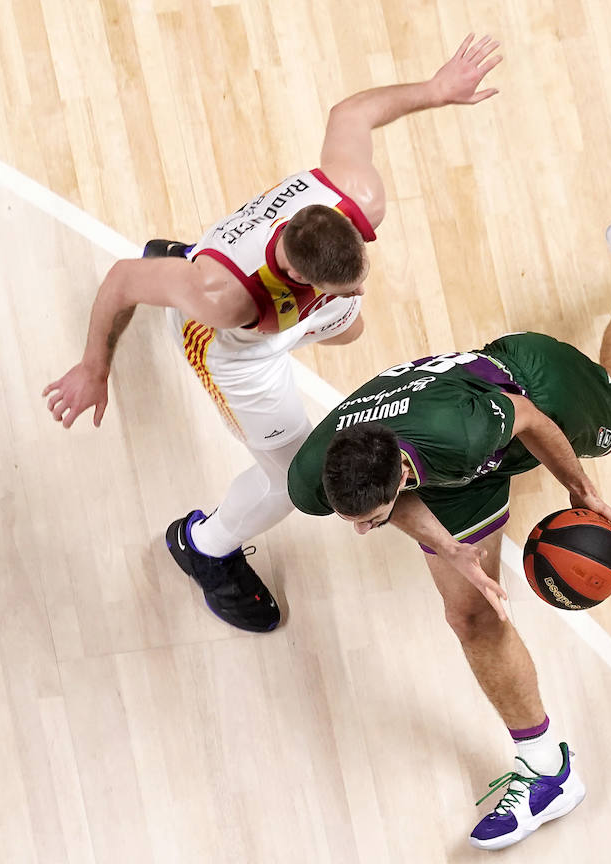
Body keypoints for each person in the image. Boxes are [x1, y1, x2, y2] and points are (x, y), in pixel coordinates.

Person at [41, 35, 503, 633]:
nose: (359, 288)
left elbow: (351, 114)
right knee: (292, 481)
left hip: (259, 296)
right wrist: (94, 367)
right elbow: (124, 280)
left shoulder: (354, 195)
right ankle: (204, 547)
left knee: (352, 328)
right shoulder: (223, 298)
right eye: (342, 285)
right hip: (239, 354)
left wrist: (435, 92)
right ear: (292, 272)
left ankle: (184, 263)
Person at [286, 216, 611, 850]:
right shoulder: (315, 477)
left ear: (401, 472)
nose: (360, 533)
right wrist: (451, 549)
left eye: (371, 519)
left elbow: (528, 418)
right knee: (471, 616)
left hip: (533, 389)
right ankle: (551, 773)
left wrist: (581, 490)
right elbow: (396, 502)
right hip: (461, 460)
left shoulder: (458, 436)